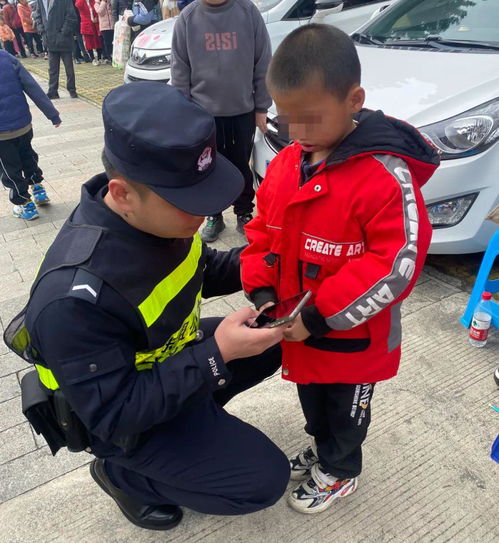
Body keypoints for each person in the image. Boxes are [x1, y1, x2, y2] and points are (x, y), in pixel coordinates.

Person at [6, 81, 289, 531]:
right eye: (189, 203)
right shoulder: (74, 298)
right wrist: (217, 355)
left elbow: (204, 268)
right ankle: (123, 475)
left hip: (165, 363)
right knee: (263, 480)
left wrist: (276, 260)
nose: (202, 215)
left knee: (272, 340)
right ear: (121, 194)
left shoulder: (161, 219)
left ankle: (195, 430)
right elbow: (114, 414)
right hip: (119, 419)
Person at [240, 24, 440, 514]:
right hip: (297, 324)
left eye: (312, 120)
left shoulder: (383, 177)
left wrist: (320, 316)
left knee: (346, 410)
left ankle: (342, 468)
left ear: (354, 99)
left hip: (352, 336)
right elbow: (263, 226)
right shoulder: (289, 163)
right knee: (313, 399)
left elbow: (396, 263)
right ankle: (323, 446)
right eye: (289, 121)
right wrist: (262, 290)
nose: (299, 134)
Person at [171, 0, 271, 243]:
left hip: (242, 110)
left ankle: (244, 212)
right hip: (202, 114)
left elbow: (263, 63)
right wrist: (183, 113)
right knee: (206, 166)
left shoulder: (247, 12)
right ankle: (213, 215)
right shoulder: (188, 18)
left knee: (240, 164)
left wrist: (261, 107)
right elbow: (180, 71)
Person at [0, 50, 60, 220]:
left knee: (10, 168)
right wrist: (52, 114)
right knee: (28, 155)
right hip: (23, 125)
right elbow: (32, 86)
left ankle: (25, 205)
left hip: (2, 134)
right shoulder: (7, 57)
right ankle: (38, 188)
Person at [33, 0, 78, 99]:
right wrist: (42, 31)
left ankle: (72, 89)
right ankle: (53, 91)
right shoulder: (41, 1)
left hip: (64, 39)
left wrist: (64, 32)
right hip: (49, 39)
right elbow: (38, 15)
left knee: (69, 67)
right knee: (52, 68)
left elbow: (71, 17)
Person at [75, 0, 103, 65]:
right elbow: (78, 5)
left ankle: (99, 57)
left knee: (98, 41)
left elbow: (97, 9)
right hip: (86, 24)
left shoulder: (93, 1)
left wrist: (97, 18)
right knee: (89, 42)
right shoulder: (80, 2)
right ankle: (92, 58)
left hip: (95, 24)